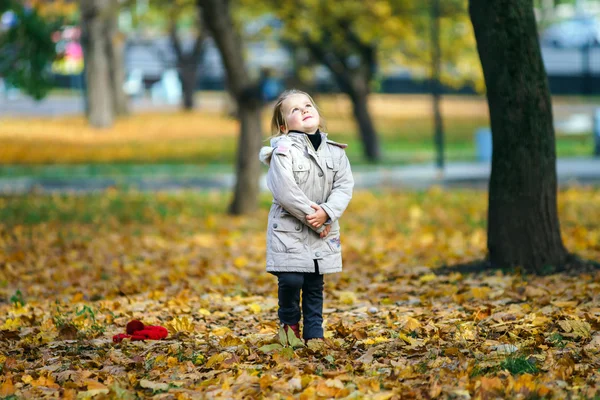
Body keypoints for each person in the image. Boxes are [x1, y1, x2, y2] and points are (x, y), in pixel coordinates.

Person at [259, 89, 354, 343]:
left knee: (314, 282)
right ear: (283, 126)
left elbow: (344, 186)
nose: (304, 110)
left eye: (308, 105)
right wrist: (315, 218)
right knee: (291, 278)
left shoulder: (336, 153)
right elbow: (284, 189)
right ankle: (289, 327)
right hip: (290, 229)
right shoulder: (283, 151)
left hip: (323, 226)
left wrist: (328, 213)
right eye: (294, 110)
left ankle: (315, 334)